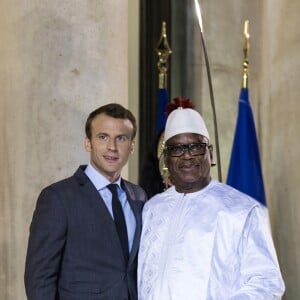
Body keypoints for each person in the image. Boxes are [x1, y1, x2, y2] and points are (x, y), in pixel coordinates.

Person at [138, 99, 285, 299]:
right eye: (177, 149)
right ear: (166, 158)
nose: (187, 156)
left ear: (210, 153)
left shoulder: (242, 210)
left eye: (196, 147)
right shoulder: (152, 209)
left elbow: (267, 283)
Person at [25, 103, 147, 300]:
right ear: (88, 143)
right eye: (102, 137)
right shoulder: (58, 198)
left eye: (121, 138)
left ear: (131, 146)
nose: (112, 147)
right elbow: (39, 277)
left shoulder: (139, 196)